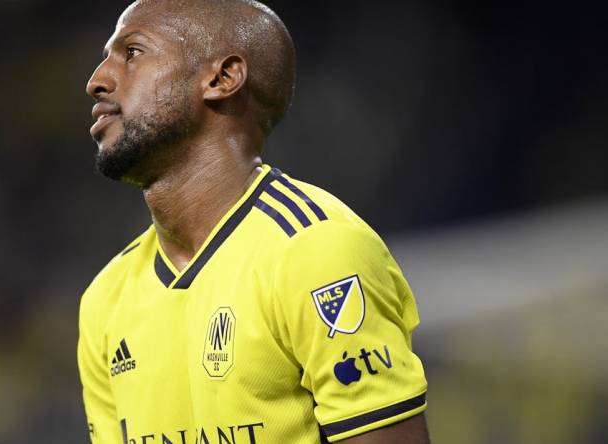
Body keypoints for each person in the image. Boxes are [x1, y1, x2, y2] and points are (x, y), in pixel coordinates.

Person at [77, 1, 430, 442]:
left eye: (132, 53)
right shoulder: (105, 301)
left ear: (222, 79)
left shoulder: (316, 252)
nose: (97, 81)